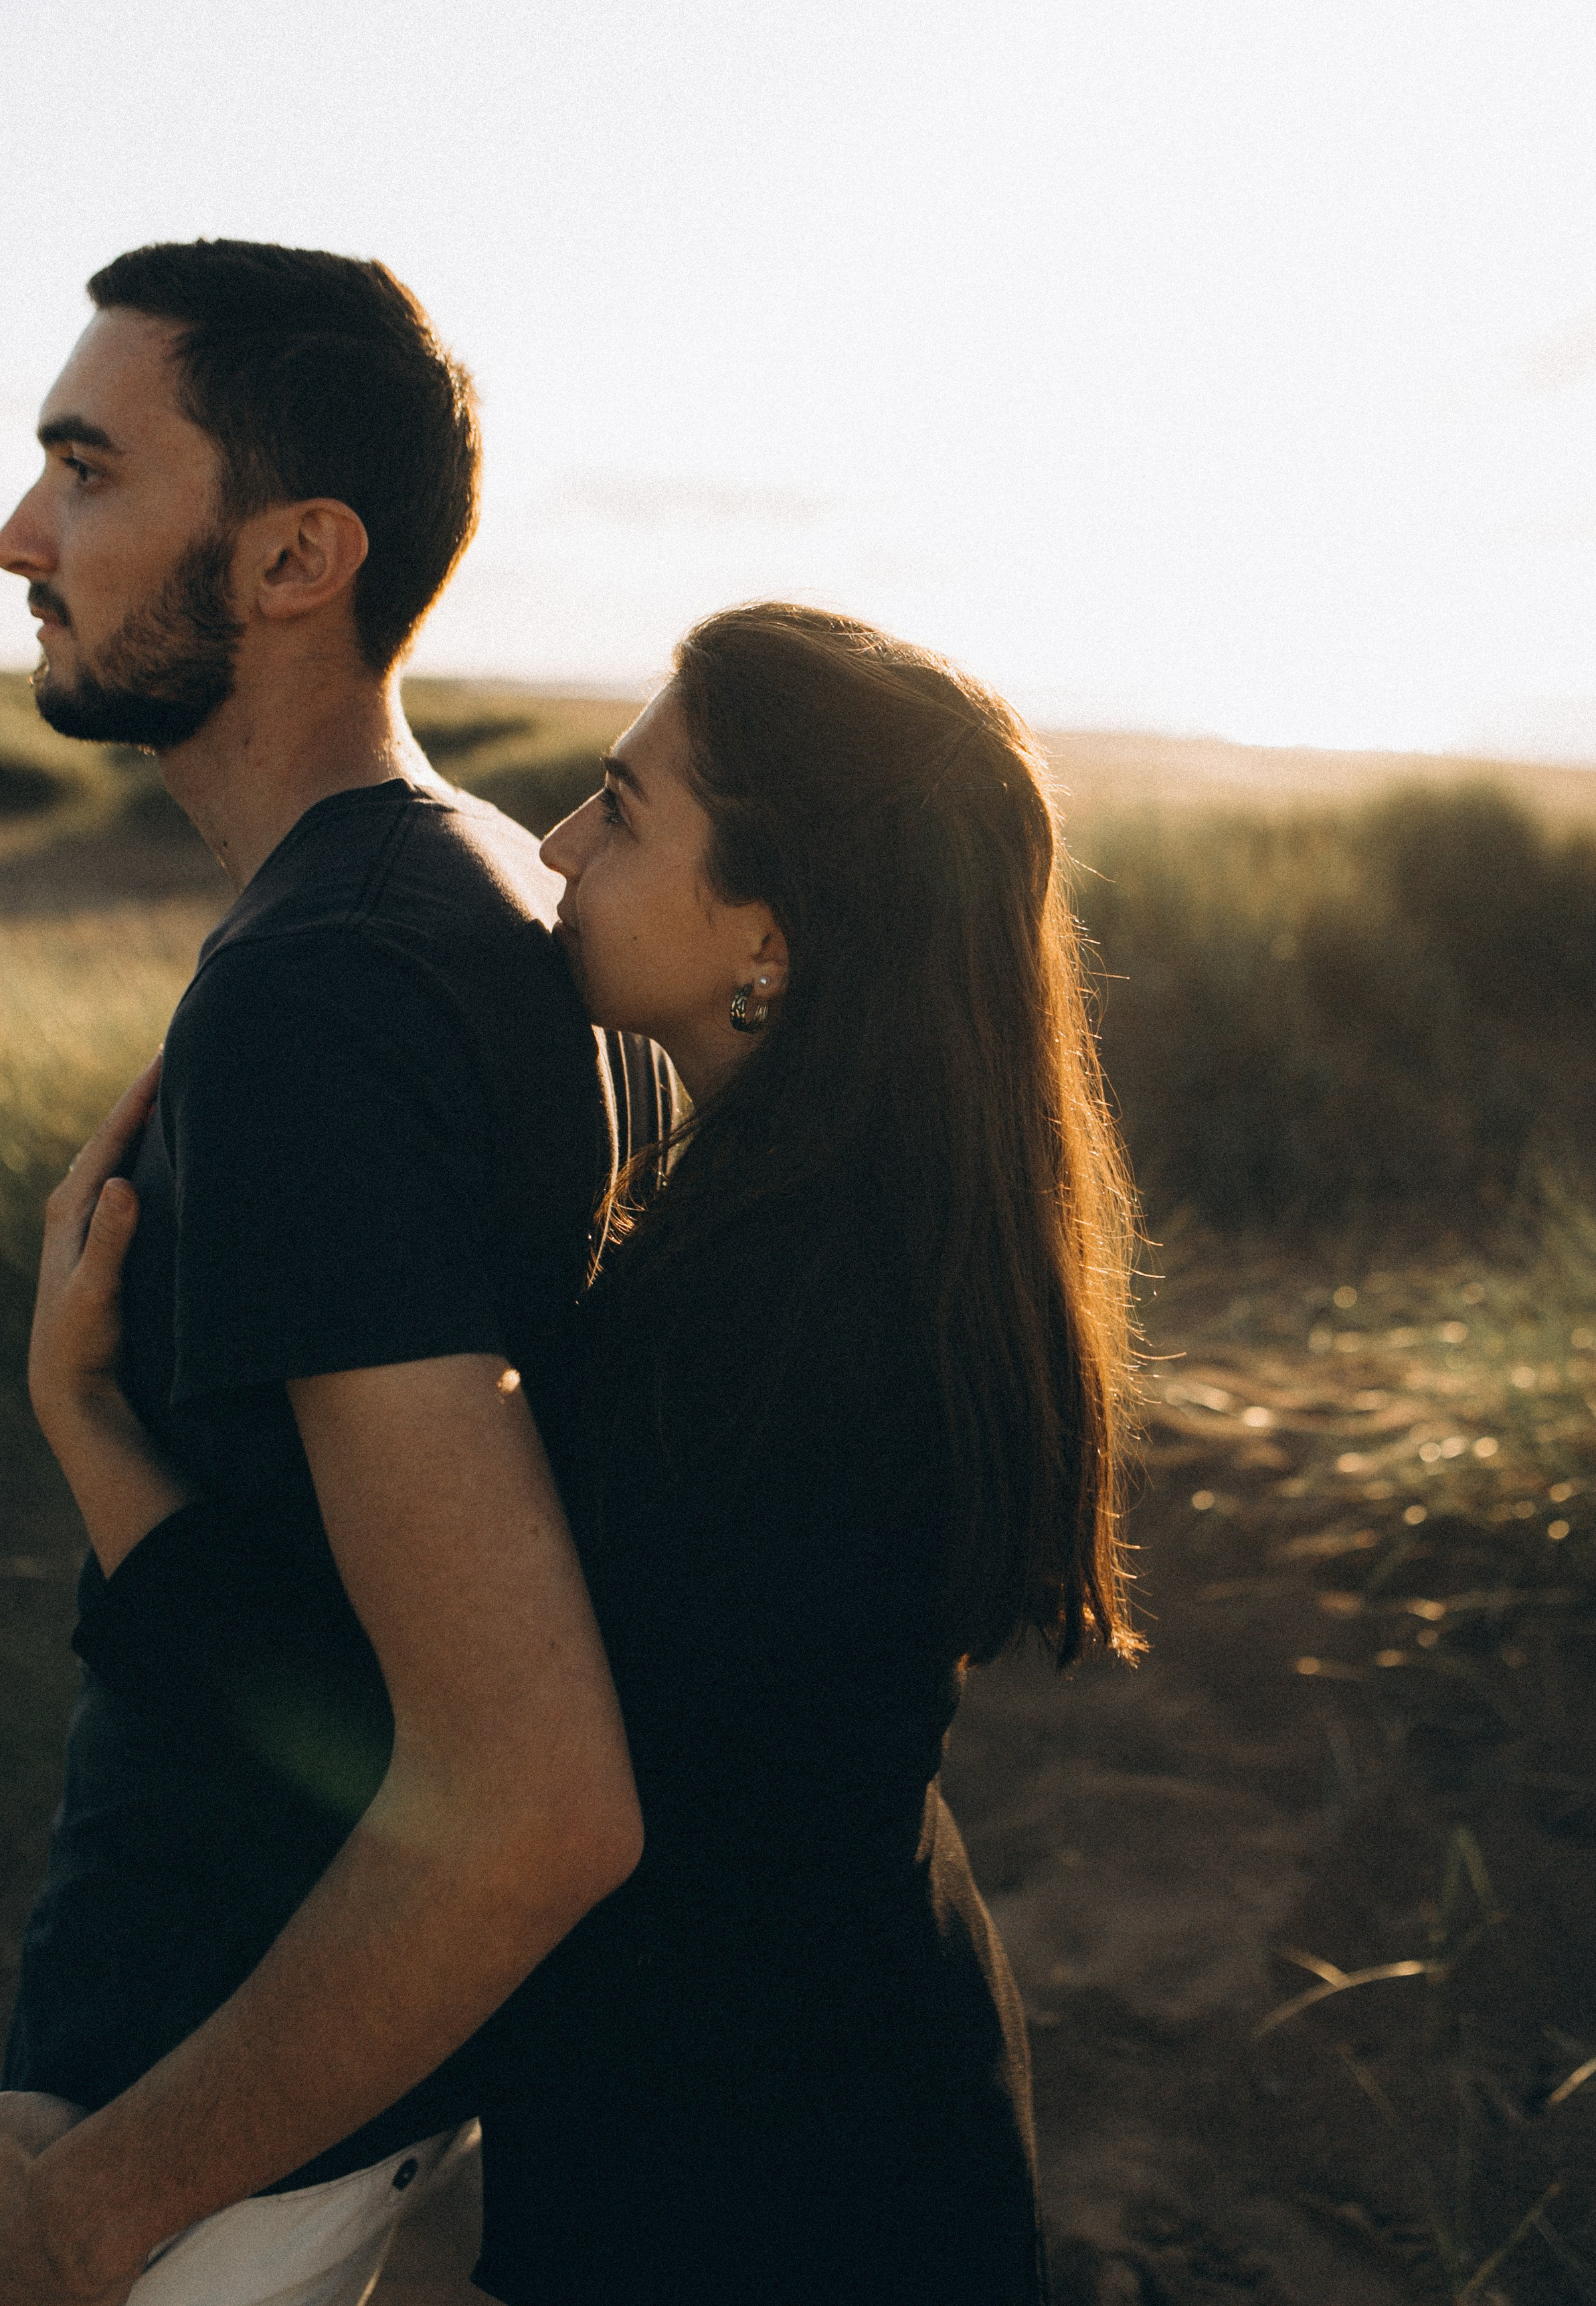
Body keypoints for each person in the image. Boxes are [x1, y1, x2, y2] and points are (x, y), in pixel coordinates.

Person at [54, 603, 1144, 2300]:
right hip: (846, 2088)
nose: (556, 849)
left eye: (623, 812)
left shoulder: (777, 1324)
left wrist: (93, 1427)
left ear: (770, 930)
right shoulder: (861, 1231)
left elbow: (448, 1753)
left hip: (767, 2189)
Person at [0, 242, 664, 2305]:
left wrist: (89, 2209)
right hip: (272, 2106)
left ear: (297, 556)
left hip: (180, 2141)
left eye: (87, 472)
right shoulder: (485, 886)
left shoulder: (326, 984)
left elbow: (531, 1797)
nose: (21, 536)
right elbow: (352, 1656)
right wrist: (86, 1410)